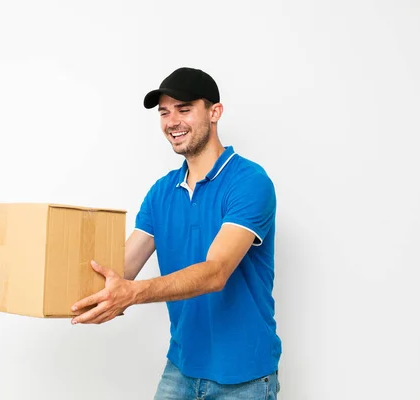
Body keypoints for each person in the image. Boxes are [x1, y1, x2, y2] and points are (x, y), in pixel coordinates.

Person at [70, 67, 281, 399]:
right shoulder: (161, 192)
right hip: (181, 368)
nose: (172, 121)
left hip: (244, 377)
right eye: (164, 112)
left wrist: (132, 294)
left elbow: (216, 272)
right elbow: (121, 270)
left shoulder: (249, 182)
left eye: (184, 109)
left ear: (215, 112)